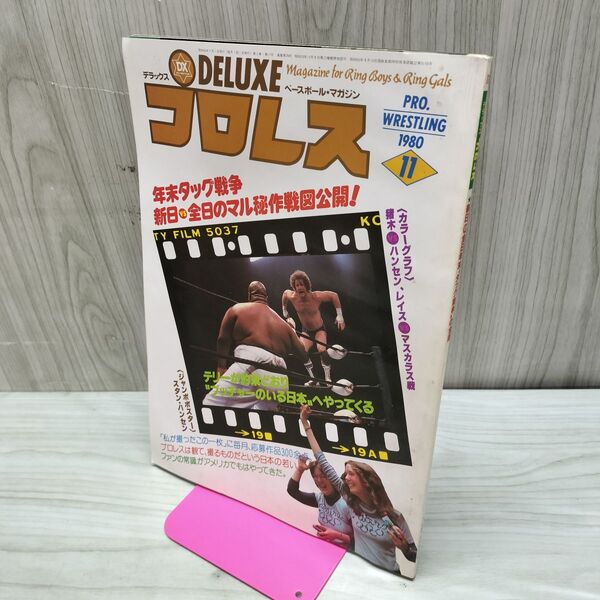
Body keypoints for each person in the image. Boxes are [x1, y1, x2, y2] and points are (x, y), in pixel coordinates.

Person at [299, 405, 417, 573]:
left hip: (390, 575)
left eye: (350, 474)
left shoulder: (394, 516)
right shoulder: (351, 503)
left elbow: (414, 556)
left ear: (366, 480)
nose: (345, 478)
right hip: (359, 572)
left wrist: (404, 547)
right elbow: (322, 460)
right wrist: (305, 424)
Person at [203, 281, 314, 410]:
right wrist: (294, 332)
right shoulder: (285, 326)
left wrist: (221, 367)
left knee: (209, 405)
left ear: (249, 295)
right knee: (258, 415)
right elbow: (303, 353)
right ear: (267, 298)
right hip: (281, 378)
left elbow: (223, 339)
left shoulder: (237, 309)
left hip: (252, 362)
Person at [281, 270, 345, 386]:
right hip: (306, 331)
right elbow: (285, 294)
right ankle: (313, 379)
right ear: (294, 287)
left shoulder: (316, 296)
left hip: (319, 329)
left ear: (306, 285)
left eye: (301, 284)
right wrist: (284, 310)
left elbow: (334, 295)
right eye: (297, 285)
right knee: (302, 352)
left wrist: (339, 316)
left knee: (322, 350)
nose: (299, 287)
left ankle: (327, 378)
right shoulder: (293, 296)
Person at [287, 455, 353, 547]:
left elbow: (361, 540)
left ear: (331, 477)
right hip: (324, 547)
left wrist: (337, 535)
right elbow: (292, 491)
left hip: (346, 552)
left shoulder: (347, 503)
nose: (319, 480)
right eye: (315, 477)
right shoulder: (319, 499)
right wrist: (300, 470)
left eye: (323, 476)